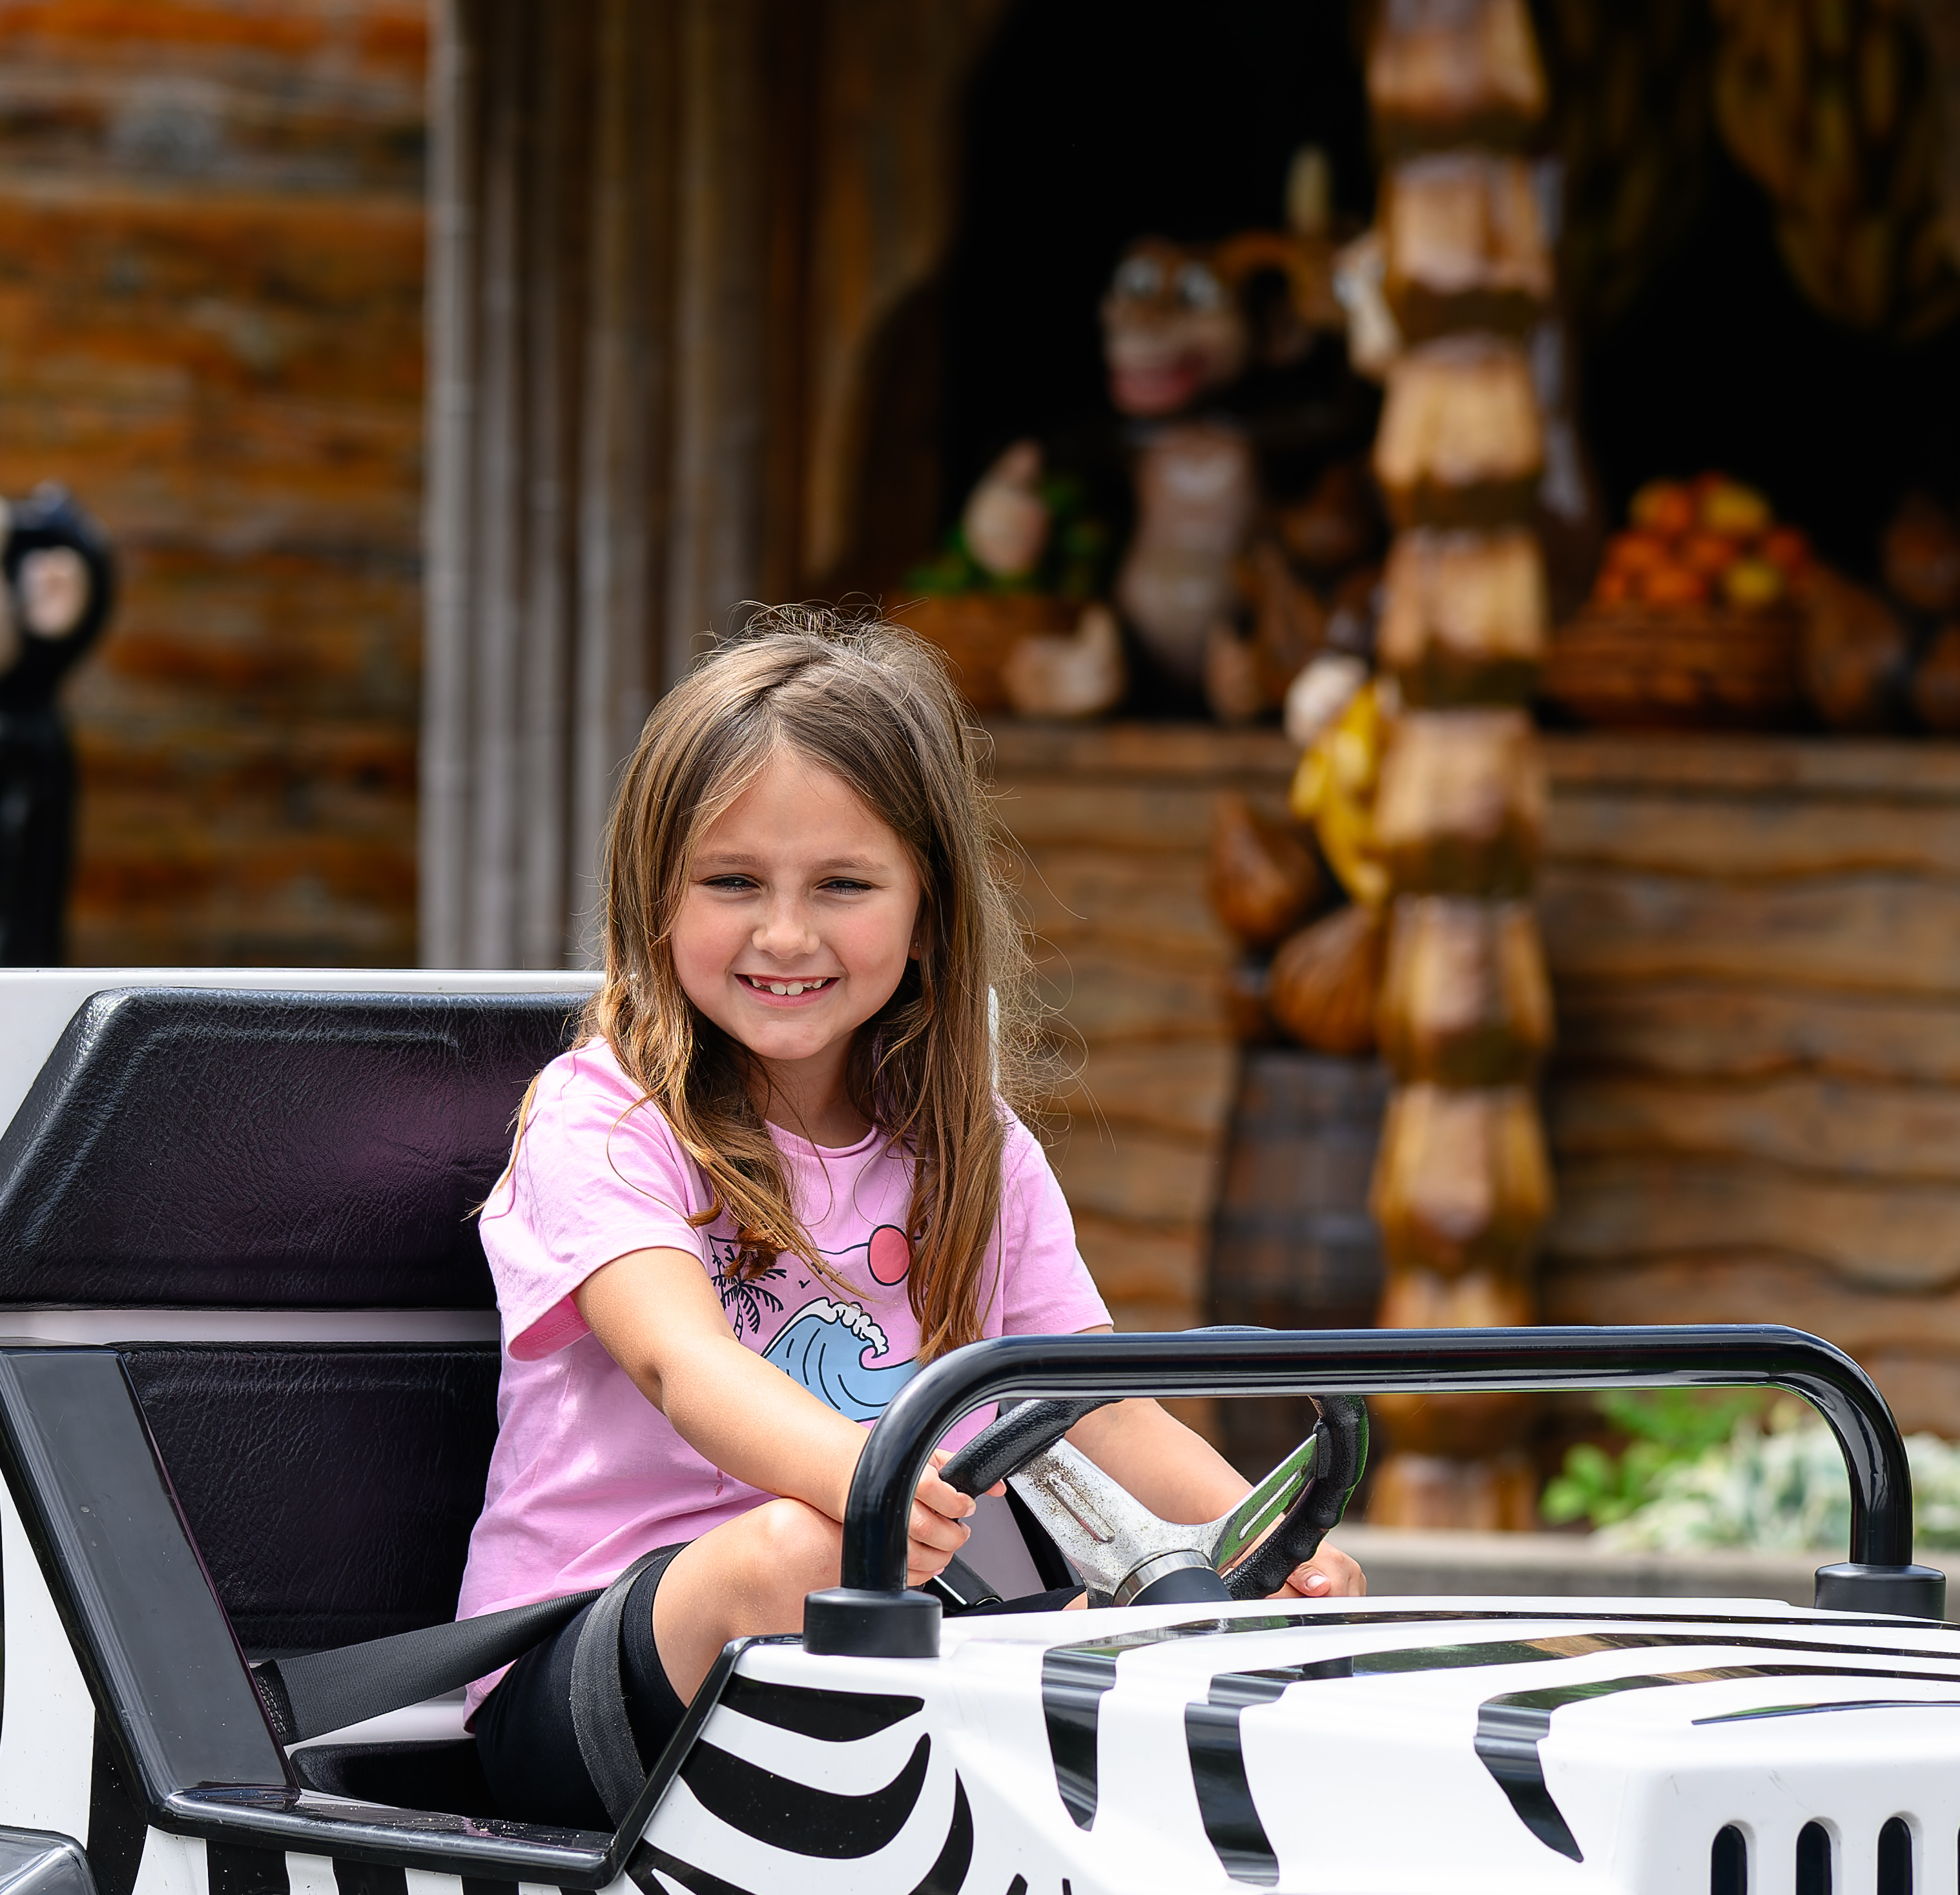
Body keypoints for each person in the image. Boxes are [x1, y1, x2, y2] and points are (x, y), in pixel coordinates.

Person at [460, 612, 1356, 1830]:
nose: (785, 934)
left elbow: (1092, 1395)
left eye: (842, 885)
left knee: (1183, 1608)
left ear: (927, 912)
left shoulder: (970, 1150)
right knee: (799, 1553)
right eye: (732, 884)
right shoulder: (606, 1118)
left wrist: (1264, 1545)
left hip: (877, 1634)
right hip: (592, 1675)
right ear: (655, 901)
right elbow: (683, 1362)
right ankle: (1048, 1672)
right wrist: (870, 1479)